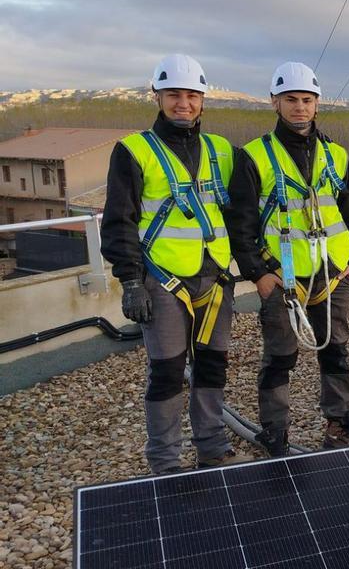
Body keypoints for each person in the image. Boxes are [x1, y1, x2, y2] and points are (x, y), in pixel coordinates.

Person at [101, 54, 250, 473]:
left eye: (191, 96)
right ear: (157, 97)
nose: (183, 103)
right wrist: (131, 281)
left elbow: (241, 214)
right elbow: (119, 220)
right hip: (162, 280)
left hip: (214, 278)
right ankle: (165, 459)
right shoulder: (134, 151)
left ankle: (212, 446)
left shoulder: (222, 151)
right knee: (167, 371)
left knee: (212, 364)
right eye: (173, 95)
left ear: (202, 100)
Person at [226, 62, 349, 454]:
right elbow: (241, 224)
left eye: (307, 100)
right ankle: (275, 430)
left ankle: (340, 421)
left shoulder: (335, 155)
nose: (300, 107)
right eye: (291, 99)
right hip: (281, 278)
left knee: (335, 349)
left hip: (333, 274)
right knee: (280, 356)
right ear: (275, 102)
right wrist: (258, 274)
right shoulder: (254, 156)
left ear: (317, 104)